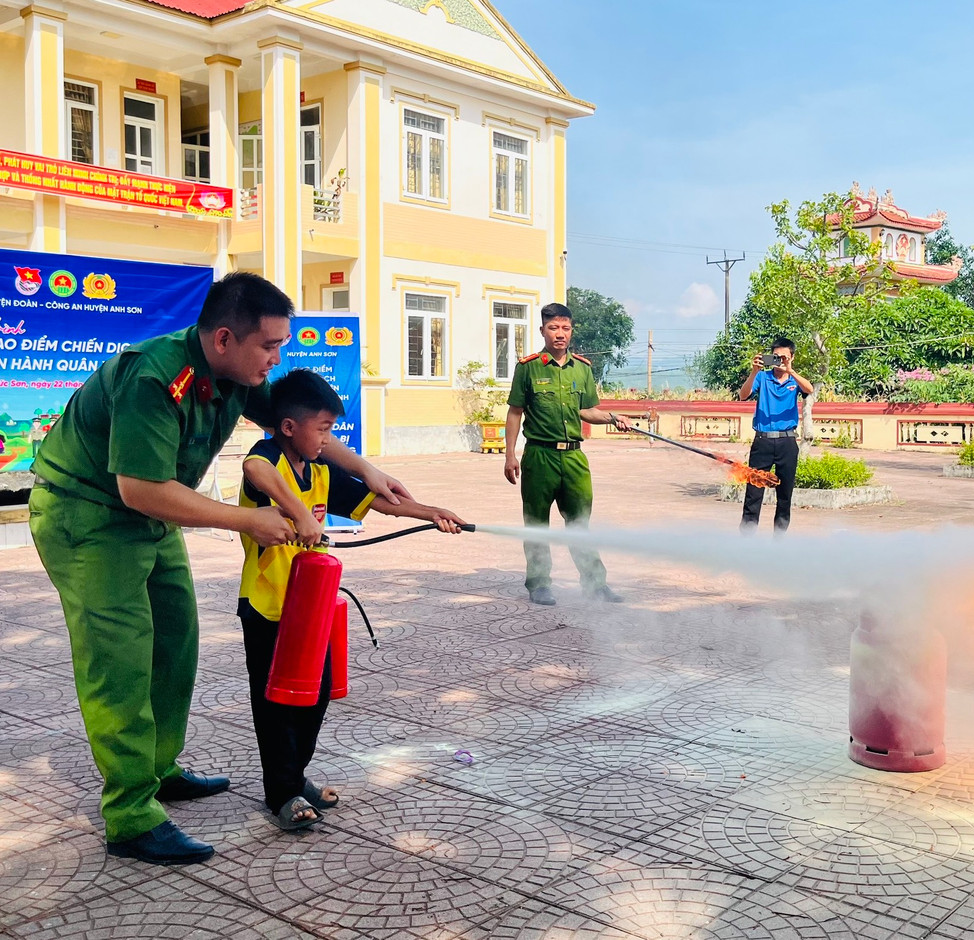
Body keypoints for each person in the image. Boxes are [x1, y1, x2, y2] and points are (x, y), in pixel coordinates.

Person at [27, 272, 410, 865]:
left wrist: (366, 469)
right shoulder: (153, 377)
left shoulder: (236, 373)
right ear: (225, 338)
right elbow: (139, 488)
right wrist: (247, 520)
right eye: (269, 346)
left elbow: (295, 421)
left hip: (153, 515)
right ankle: (130, 812)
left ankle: (159, 769)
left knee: (176, 643)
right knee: (120, 660)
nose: (276, 359)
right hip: (90, 515)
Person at [237, 369, 466, 830]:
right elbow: (253, 470)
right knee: (275, 704)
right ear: (288, 427)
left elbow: (375, 501)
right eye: (322, 429)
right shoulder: (269, 459)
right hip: (266, 606)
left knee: (316, 695)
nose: (328, 440)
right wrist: (301, 515)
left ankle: (295, 778)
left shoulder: (321, 470)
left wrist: (430, 512)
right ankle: (281, 793)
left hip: (309, 606)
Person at [504, 302, 632, 606]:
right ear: (542, 330)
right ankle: (539, 584)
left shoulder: (582, 368)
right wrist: (510, 455)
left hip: (574, 458)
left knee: (580, 523)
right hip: (539, 456)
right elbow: (515, 412)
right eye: (553, 328)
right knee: (537, 523)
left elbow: (586, 410)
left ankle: (595, 584)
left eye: (565, 328)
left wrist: (613, 417)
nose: (560, 334)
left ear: (571, 330)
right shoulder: (528, 367)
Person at [738, 337, 813, 533]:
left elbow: (809, 389)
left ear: (792, 357)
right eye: (776, 357)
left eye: (784, 357)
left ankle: (779, 541)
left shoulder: (794, 380)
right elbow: (743, 395)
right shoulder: (762, 377)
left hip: (787, 442)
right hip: (762, 441)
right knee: (753, 493)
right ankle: (746, 540)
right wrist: (754, 371)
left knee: (785, 495)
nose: (779, 361)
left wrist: (790, 371)